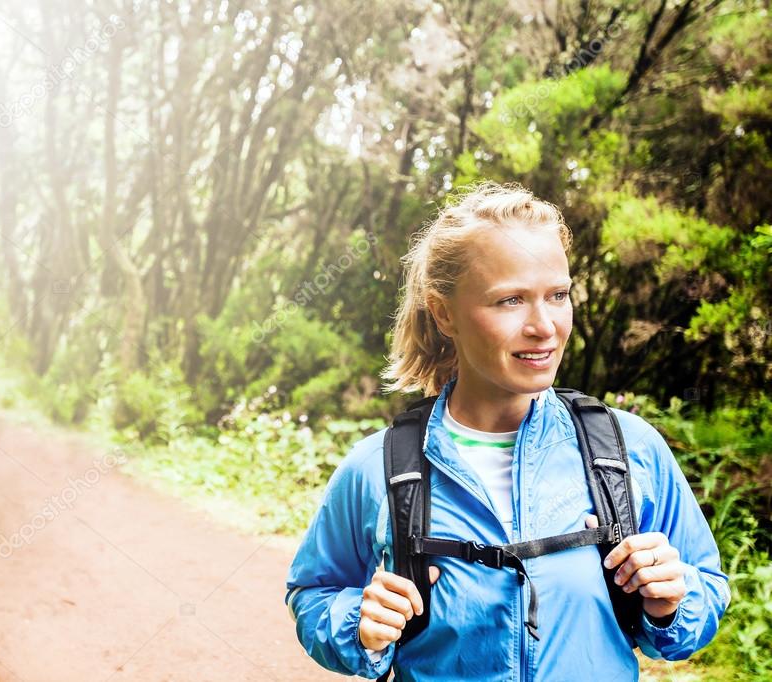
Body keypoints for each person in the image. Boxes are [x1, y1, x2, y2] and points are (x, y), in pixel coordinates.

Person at [284, 182, 730, 680]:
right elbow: (312, 592)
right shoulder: (377, 467)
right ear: (444, 312)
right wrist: (356, 623)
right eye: (510, 300)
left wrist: (673, 599)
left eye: (558, 295)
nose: (544, 326)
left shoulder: (629, 449)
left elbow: (705, 591)